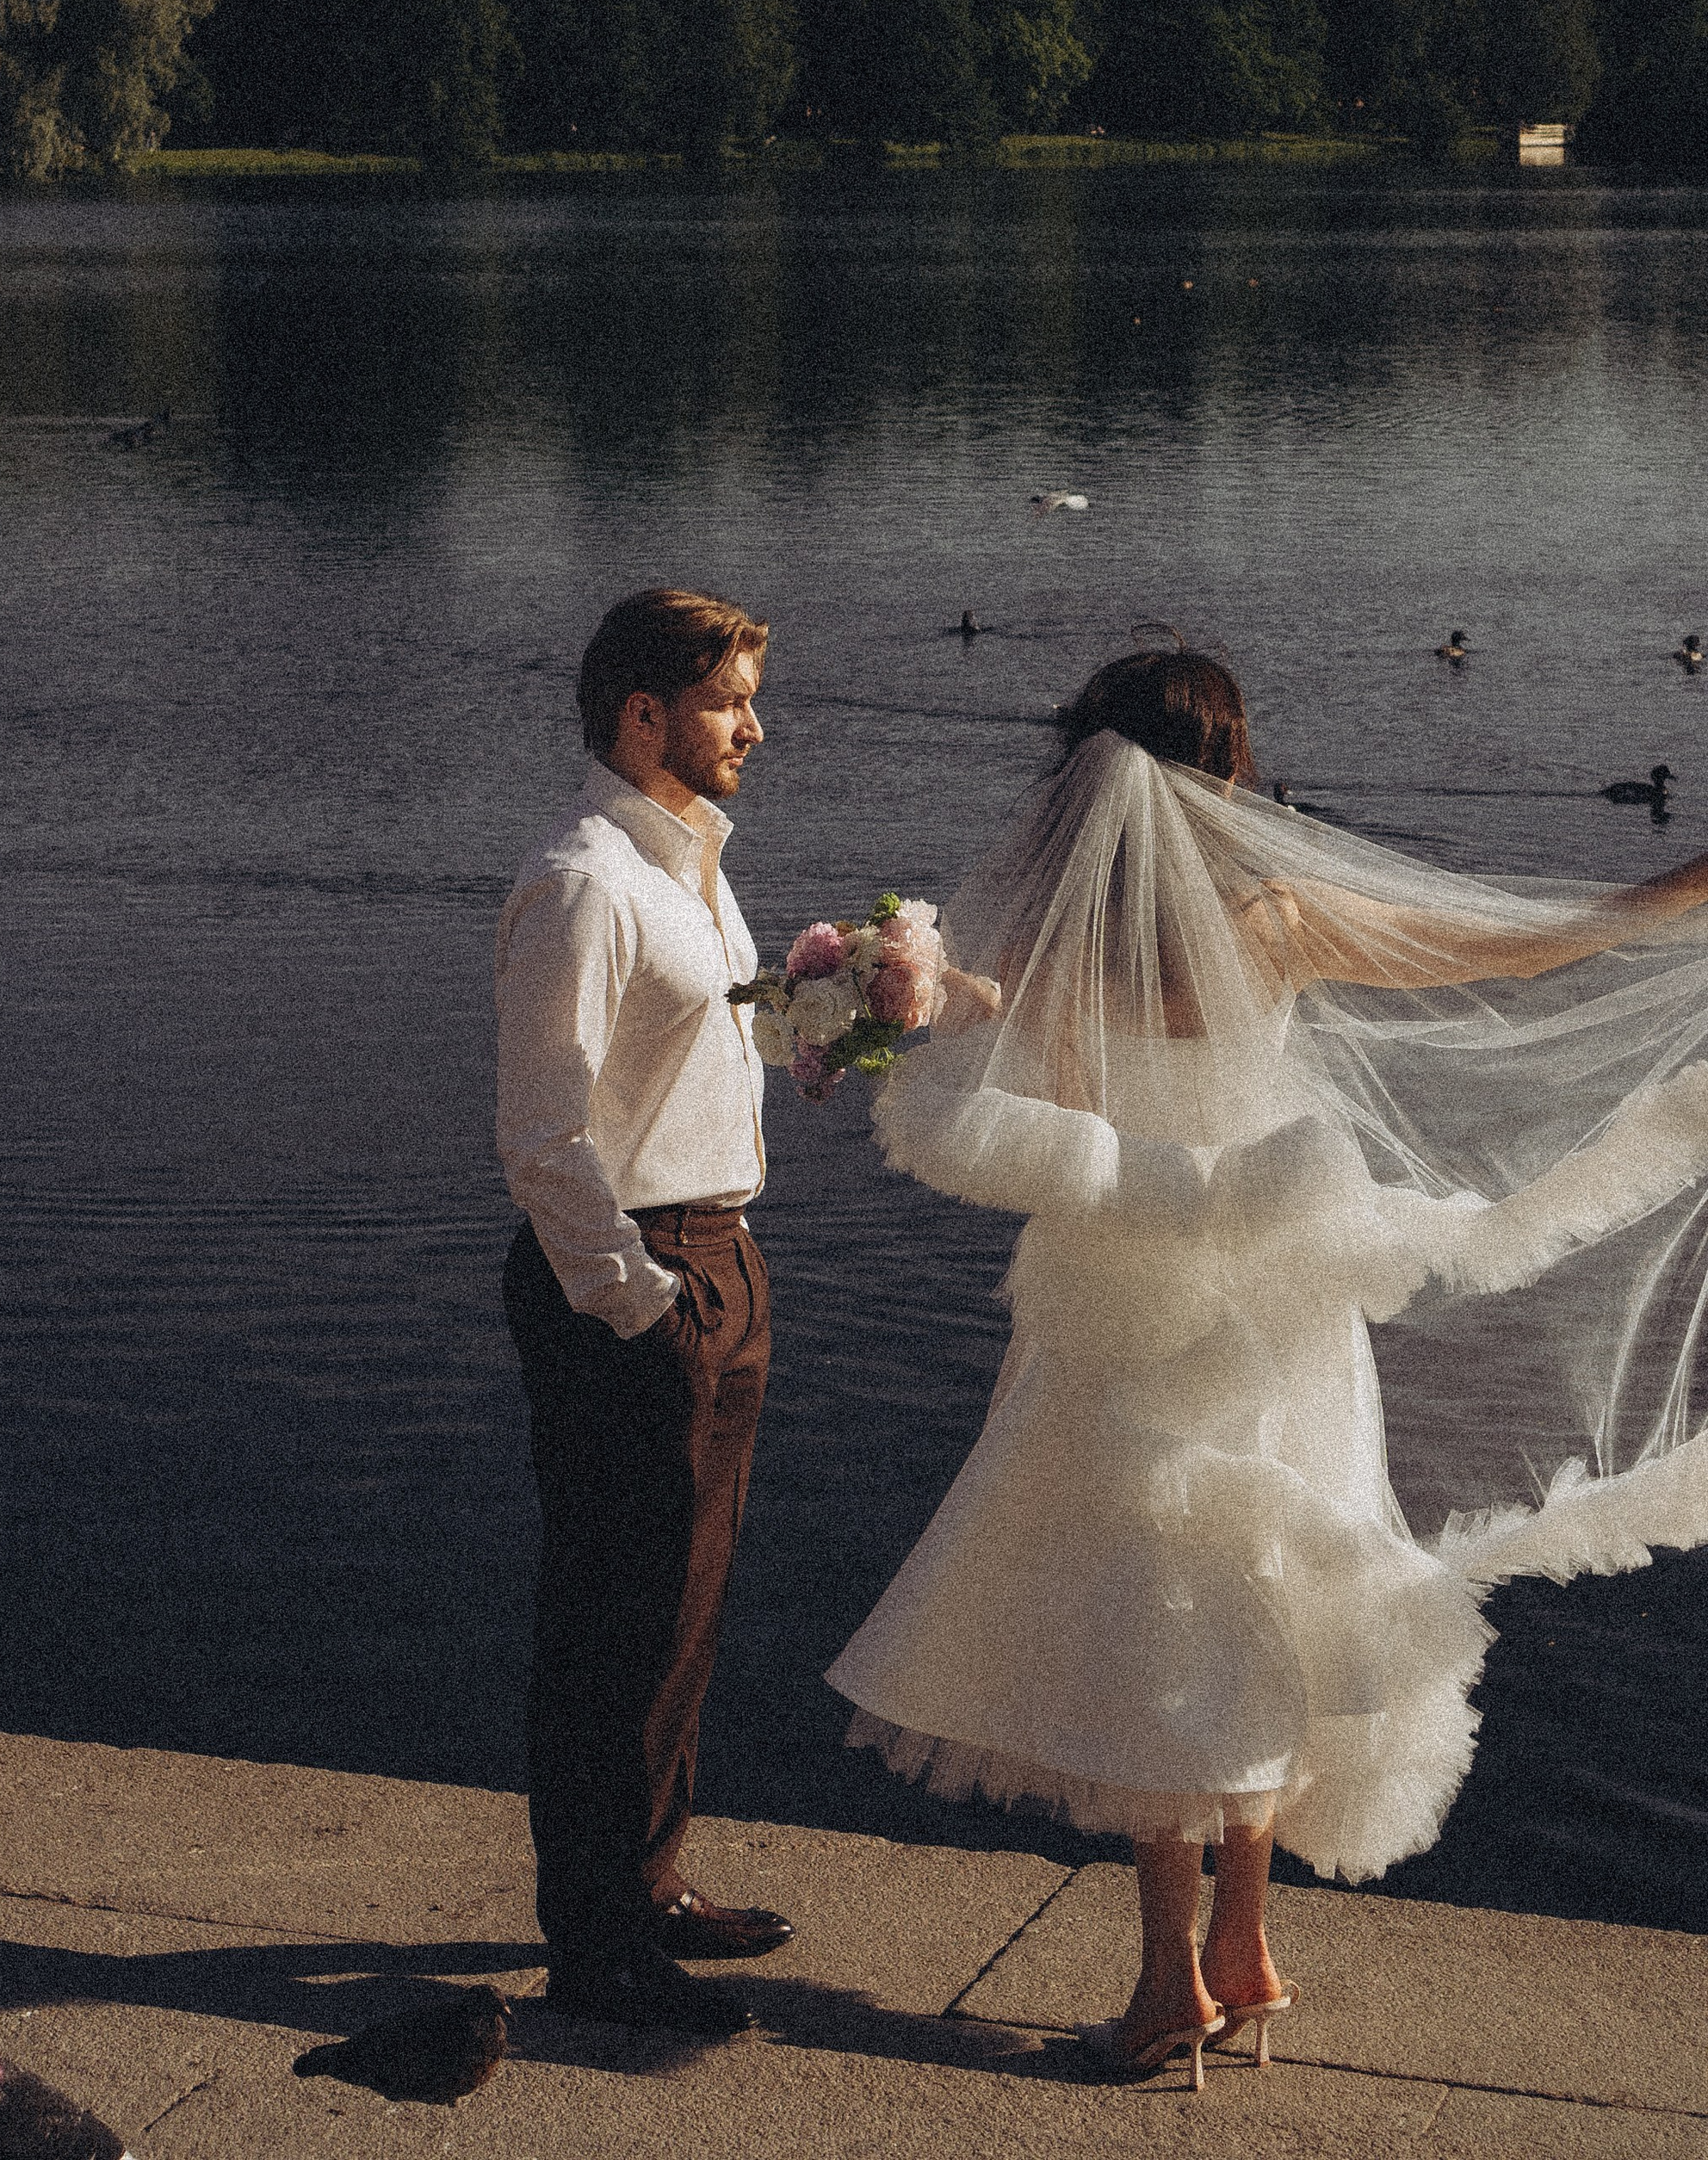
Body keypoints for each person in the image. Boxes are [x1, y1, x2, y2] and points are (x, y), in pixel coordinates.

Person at [828, 643, 1708, 2089]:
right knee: (1275, 1596)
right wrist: (1677, 893)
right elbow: (1519, 945)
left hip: (1120, 1306)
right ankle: (1239, 1947)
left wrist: (884, 985)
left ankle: (1173, 1979)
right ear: (1227, 777)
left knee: (1155, 1620)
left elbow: (990, 1065)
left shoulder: (1055, 932)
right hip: (1289, 1304)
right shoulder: (1278, 917)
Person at [497, 586, 791, 2036]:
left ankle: (651, 1884)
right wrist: (644, 1308)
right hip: (636, 1276)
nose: (755, 725)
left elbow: (679, 1062)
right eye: (731, 699)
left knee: (684, 1608)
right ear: (644, 716)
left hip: (716, 1252)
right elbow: (543, 1142)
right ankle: (595, 1942)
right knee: (612, 1620)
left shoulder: (690, 867)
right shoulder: (585, 882)